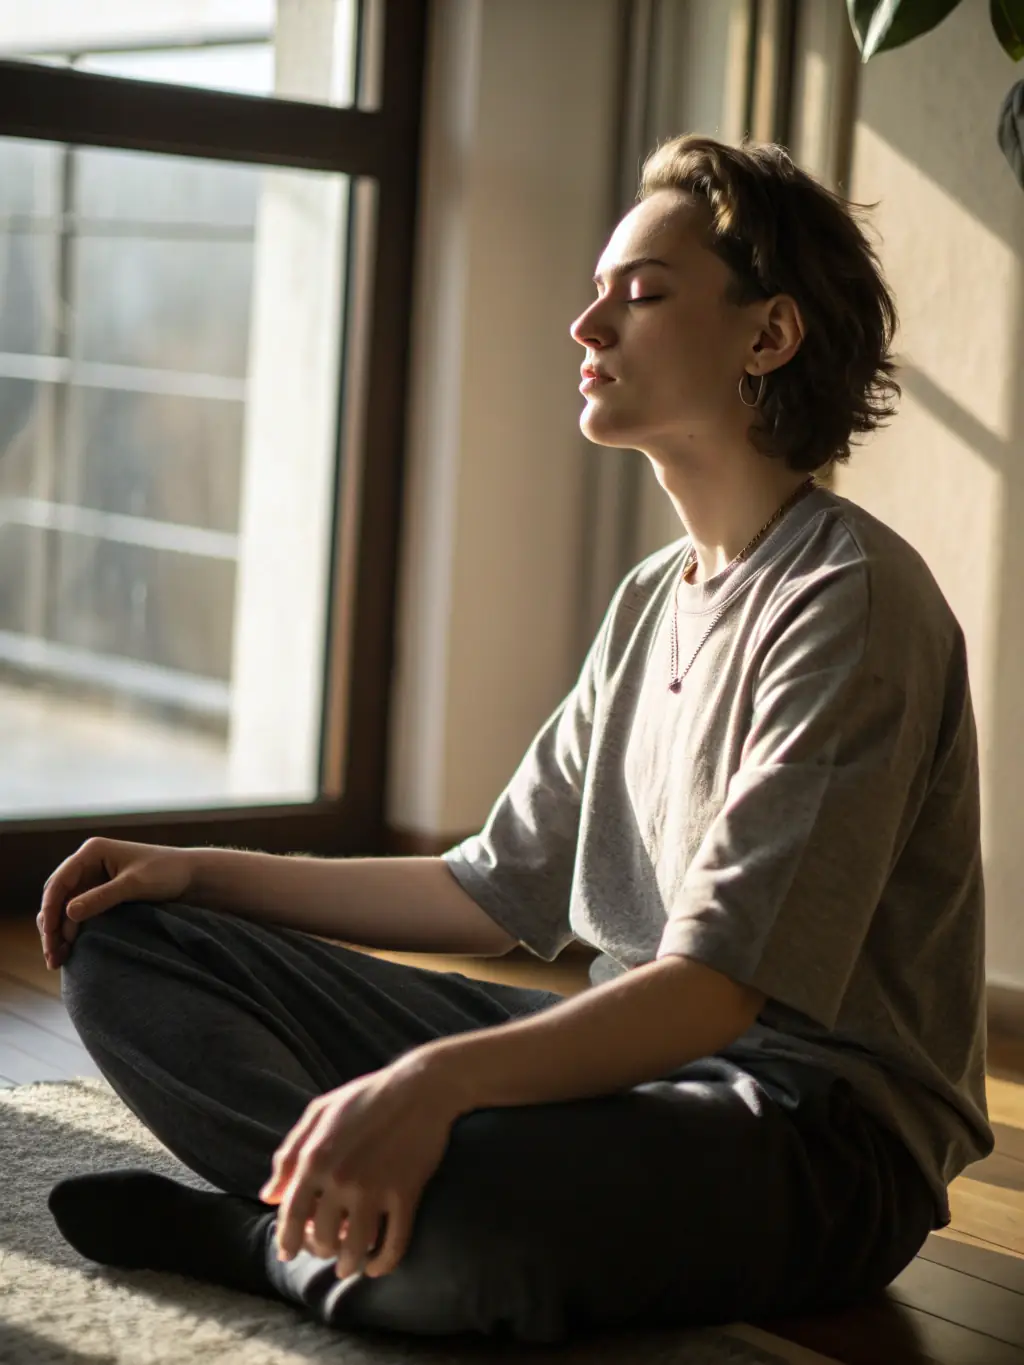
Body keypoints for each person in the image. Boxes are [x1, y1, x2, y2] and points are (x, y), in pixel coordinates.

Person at [40, 134, 993, 1345]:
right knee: (127, 946)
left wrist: (435, 1084)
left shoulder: (848, 601)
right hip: (622, 1068)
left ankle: (271, 1231)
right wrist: (197, 871)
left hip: (810, 1132)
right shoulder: (655, 595)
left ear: (768, 338)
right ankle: (359, 1215)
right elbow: (487, 889)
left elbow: (709, 993)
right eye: (597, 293)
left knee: (481, 1198)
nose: (585, 326)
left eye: (640, 296)